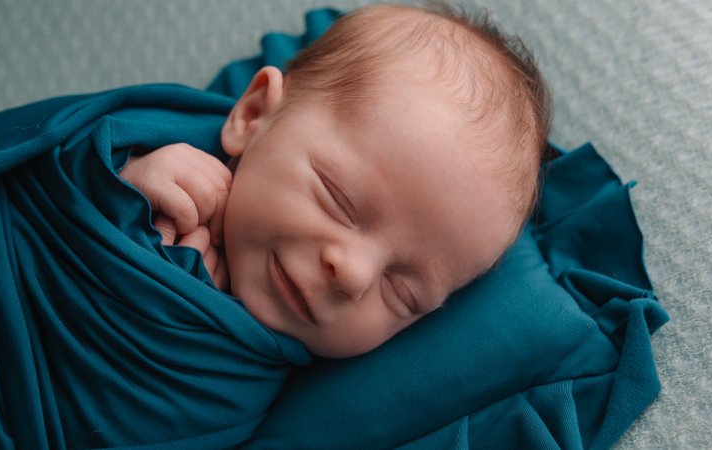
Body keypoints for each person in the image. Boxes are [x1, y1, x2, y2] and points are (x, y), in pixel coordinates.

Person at [120, 3, 552, 358]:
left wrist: (181, 328)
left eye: (402, 293)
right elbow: (52, 163)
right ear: (254, 115)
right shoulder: (147, 153)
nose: (353, 275)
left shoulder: (282, 391)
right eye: (338, 201)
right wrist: (120, 185)